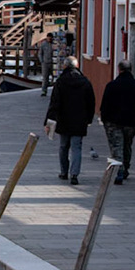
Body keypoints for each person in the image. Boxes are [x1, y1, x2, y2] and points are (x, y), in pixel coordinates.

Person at [43, 57, 98, 186]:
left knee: (63, 147)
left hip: (64, 119)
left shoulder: (61, 82)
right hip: (80, 121)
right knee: (76, 148)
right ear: (77, 66)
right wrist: (89, 119)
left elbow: (54, 103)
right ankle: (74, 174)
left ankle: (64, 172)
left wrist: (49, 121)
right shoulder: (85, 82)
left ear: (64, 67)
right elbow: (91, 103)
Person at [98, 60, 135, 185]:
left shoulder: (111, 85)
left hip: (113, 122)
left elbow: (104, 105)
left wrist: (104, 119)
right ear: (131, 69)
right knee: (127, 145)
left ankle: (119, 172)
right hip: (130, 122)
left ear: (119, 69)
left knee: (117, 147)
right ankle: (125, 168)